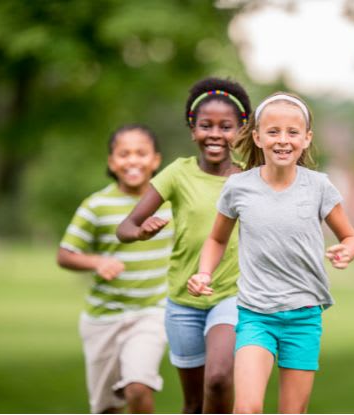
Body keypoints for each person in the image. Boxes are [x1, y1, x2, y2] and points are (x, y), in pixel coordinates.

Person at [186, 92, 354, 414]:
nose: (283, 140)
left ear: (306, 139)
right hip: (256, 314)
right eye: (273, 132)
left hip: (304, 315)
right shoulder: (239, 187)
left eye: (292, 133)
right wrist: (204, 272)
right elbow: (216, 239)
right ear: (257, 137)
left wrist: (346, 250)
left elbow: (349, 235)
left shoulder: (319, 187)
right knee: (247, 408)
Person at [116, 77, 251, 413]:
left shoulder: (251, 178)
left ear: (242, 131)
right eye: (206, 126)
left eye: (226, 126)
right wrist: (140, 232)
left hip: (233, 294)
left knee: (218, 380)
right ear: (193, 130)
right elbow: (125, 227)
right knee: (192, 403)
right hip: (183, 301)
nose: (215, 134)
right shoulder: (177, 173)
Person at [57, 125, 173, 414]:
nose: (133, 161)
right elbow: (65, 254)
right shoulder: (96, 205)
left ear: (156, 160)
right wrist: (98, 262)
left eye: (141, 153)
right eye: (124, 154)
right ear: (112, 162)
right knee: (107, 408)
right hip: (103, 319)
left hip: (152, 312)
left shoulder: (170, 202)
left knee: (138, 387)